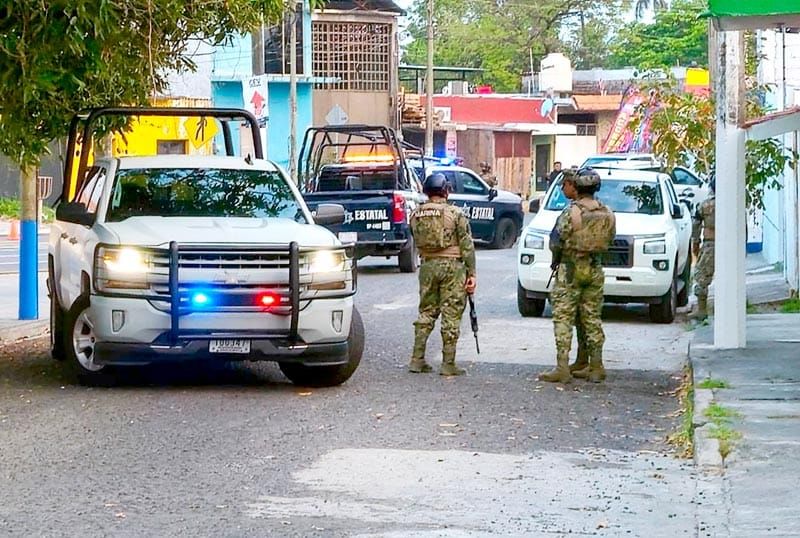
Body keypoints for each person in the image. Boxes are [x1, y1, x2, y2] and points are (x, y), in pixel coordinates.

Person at [539, 168, 616, 384]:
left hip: (571, 269)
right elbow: (610, 238)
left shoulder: (571, 213)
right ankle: (596, 366)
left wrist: (557, 259)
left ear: (577, 187)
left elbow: (556, 240)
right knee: (592, 317)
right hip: (595, 268)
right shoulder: (607, 212)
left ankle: (562, 367)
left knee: (563, 316)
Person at [409, 173, 477, 376]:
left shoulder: (415, 213)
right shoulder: (455, 213)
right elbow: (467, 245)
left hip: (427, 266)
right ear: (446, 190)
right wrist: (471, 272)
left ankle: (417, 359)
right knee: (451, 313)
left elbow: (414, 237)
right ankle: (448, 363)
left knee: (426, 312)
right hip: (452, 268)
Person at [689, 174, 716, 321]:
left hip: (710, 244)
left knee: (701, 276)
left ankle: (702, 310)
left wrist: (695, 243)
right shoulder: (733, 204)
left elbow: (696, 225)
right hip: (729, 246)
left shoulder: (705, 205)